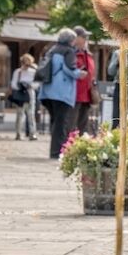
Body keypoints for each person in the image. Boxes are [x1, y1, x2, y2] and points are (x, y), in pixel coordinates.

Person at [37, 29, 81, 159]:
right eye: (74, 39)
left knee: (55, 122)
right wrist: (80, 73)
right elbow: (69, 69)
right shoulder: (68, 51)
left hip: (47, 92)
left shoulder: (51, 49)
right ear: (70, 40)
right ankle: (57, 152)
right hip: (61, 93)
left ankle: (55, 150)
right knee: (61, 123)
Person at [72, 28, 97, 135]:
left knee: (83, 125)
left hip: (86, 95)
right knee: (72, 124)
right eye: (84, 37)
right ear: (76, 38)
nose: (86, 39)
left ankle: (81, 147)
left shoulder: (88, 54)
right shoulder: (71, 54)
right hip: (74, 95)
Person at [10, 53, 38, 140]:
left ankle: (32, 133)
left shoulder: (33, 72)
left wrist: (30, 85)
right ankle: (18, 133)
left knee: (31, 114)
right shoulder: (18, 72)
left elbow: (37, 83)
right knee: (20, 114)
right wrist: (20, 86)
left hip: (30, 93)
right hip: (20, 94)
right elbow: (13, 83)